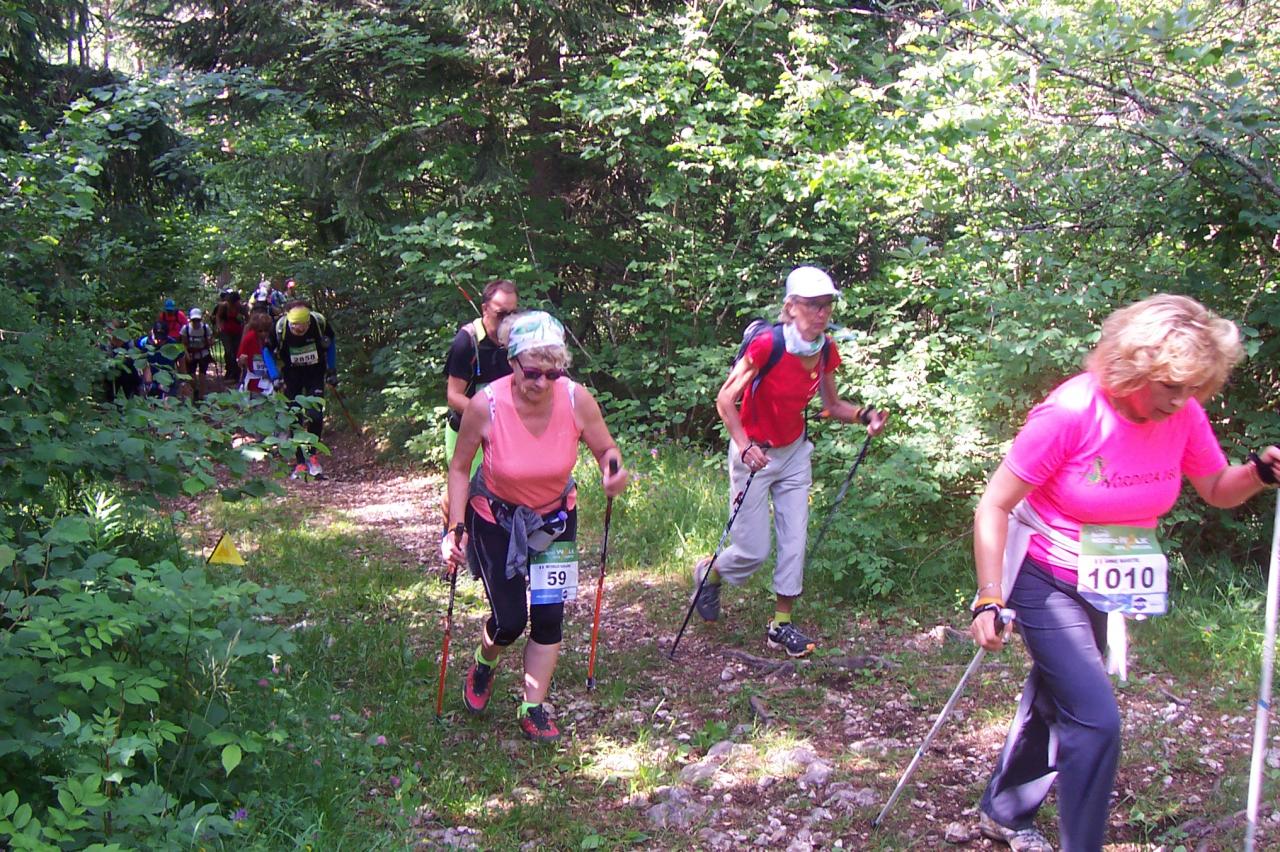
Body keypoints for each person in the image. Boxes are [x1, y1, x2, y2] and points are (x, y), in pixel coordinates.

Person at [969, 294, 1280, 852]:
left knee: (1060, 693)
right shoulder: (1070, 413)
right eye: (1169, 385)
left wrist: (1258, 472)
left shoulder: (1183, 414)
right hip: (1047, 576)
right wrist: (989, 597)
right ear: (1133, 365)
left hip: (1111, 573)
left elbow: (1216, 488)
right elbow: (993, 504)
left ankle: (1005, 811)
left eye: (1192, 388)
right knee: (1095, 720)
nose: (1180, 400)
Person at [440, 311, 628, 742]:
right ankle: (485, 662)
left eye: (552, 372)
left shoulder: (576, 398)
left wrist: (613, 469)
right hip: (495, 517)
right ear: (512, 362)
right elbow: (459, 467)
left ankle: (533, 706)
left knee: (548, 619)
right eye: (532, 372)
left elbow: (606, 448)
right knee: (509, 621)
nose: (542, 382)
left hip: (555, 518)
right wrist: (455, 526)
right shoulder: (486, 404)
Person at [691, 266, 890, 658]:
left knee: (794, 541)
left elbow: (831, 405)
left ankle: (780, 625)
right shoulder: (768, 345)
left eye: (827, 305)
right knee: (752, 551)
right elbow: (724, 399)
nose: (821, 313)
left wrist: (865, 415)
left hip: (795, 453)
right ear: (791, 307)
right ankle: (709, 573)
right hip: (754, 455)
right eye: (813, 305)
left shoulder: (826, 349)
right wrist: (745, 446)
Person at [443, 279, 519, 509]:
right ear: (485, 308)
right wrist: (491, 417)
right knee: (466, 495)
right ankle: (452, 537)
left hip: (506, 432)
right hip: (467, 430)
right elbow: (453, 396)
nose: (507, 320)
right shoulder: (467, 341)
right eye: (501, 314)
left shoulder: (517, 341)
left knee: (505, 495)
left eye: (513, 314)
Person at [270, 303, 336, 479]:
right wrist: (274, 375)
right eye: (294, 329)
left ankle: (312, 457)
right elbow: (266, 350)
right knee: (295, 417)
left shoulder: (318, 323)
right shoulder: (280, 327)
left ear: (308, 323)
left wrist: (332, 369)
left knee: (315, 415)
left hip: (315, 373)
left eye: (302, 329)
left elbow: (330, 342)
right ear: (290, 324)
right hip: (291, 376)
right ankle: (300, 463)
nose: (298, 331)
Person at [138, 320, 180, 399]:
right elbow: (139, 360)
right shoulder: (143, 343)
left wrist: (183, 381)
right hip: (149, 381)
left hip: (168, 381)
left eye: (162, 339)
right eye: (157, 337)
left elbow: (181, 361)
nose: (159, 341)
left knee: (167, 405)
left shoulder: (173, 345)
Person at [180, 308, 215, 401]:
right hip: (191, 354)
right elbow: (183, 343)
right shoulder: (185, 329)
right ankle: (195, 390)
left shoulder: (205, 328)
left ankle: (201, 396)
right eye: (194, 320)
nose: (196, 322)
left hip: (203, 353)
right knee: (191, 376)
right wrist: (186, 355)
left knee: (202, 375)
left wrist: (209, 342)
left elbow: (211, 340)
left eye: (198, 320)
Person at [237, 312, 275, 396]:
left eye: (266, 331)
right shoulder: (249, 338)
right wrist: (242, 359)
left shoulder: (272, 338)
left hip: (269, 378)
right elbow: (239, 357)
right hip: (253, 379)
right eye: (260, 331)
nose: (263, 333)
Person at [214, 290, 248, 384]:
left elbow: (248, 318)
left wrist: (246, 329)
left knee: (237, 351)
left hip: (238, 332)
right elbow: (218, 316)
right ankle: (229, 372)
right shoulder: (224, 306)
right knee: (229, 351)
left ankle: (236, 374)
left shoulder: (241, 307)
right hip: (226, 332)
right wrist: (219, 326)